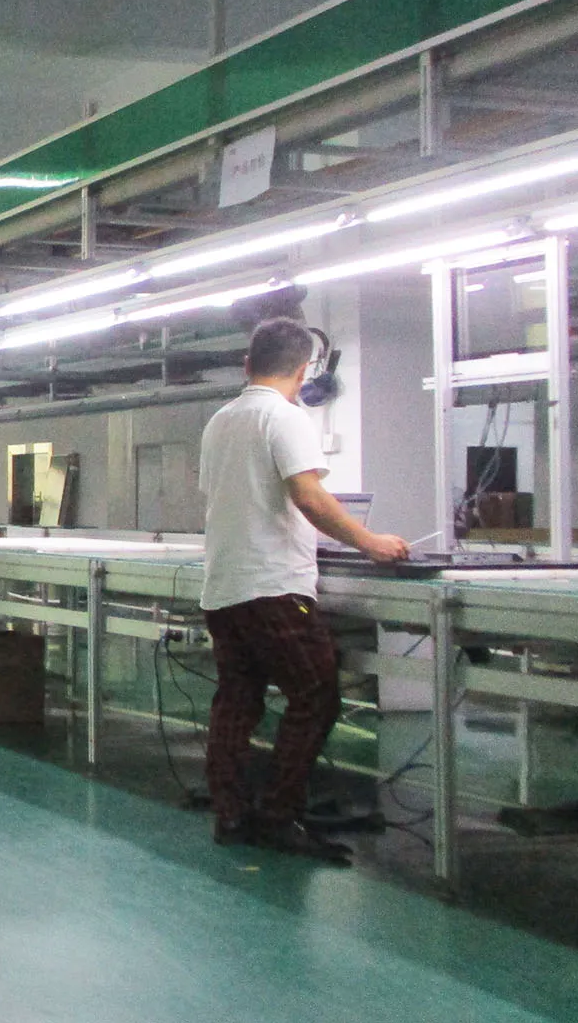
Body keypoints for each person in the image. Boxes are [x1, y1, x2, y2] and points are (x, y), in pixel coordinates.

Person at [199, 317, 409, 864]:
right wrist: (368, 541)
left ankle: (231, 814)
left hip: (224, 586)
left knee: (237, 700)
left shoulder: (221, 420)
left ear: (247, 364)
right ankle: (279, 815)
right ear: (303, 370)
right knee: (315, 695)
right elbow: (309, 497)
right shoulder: (285, 417)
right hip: (273, 587)